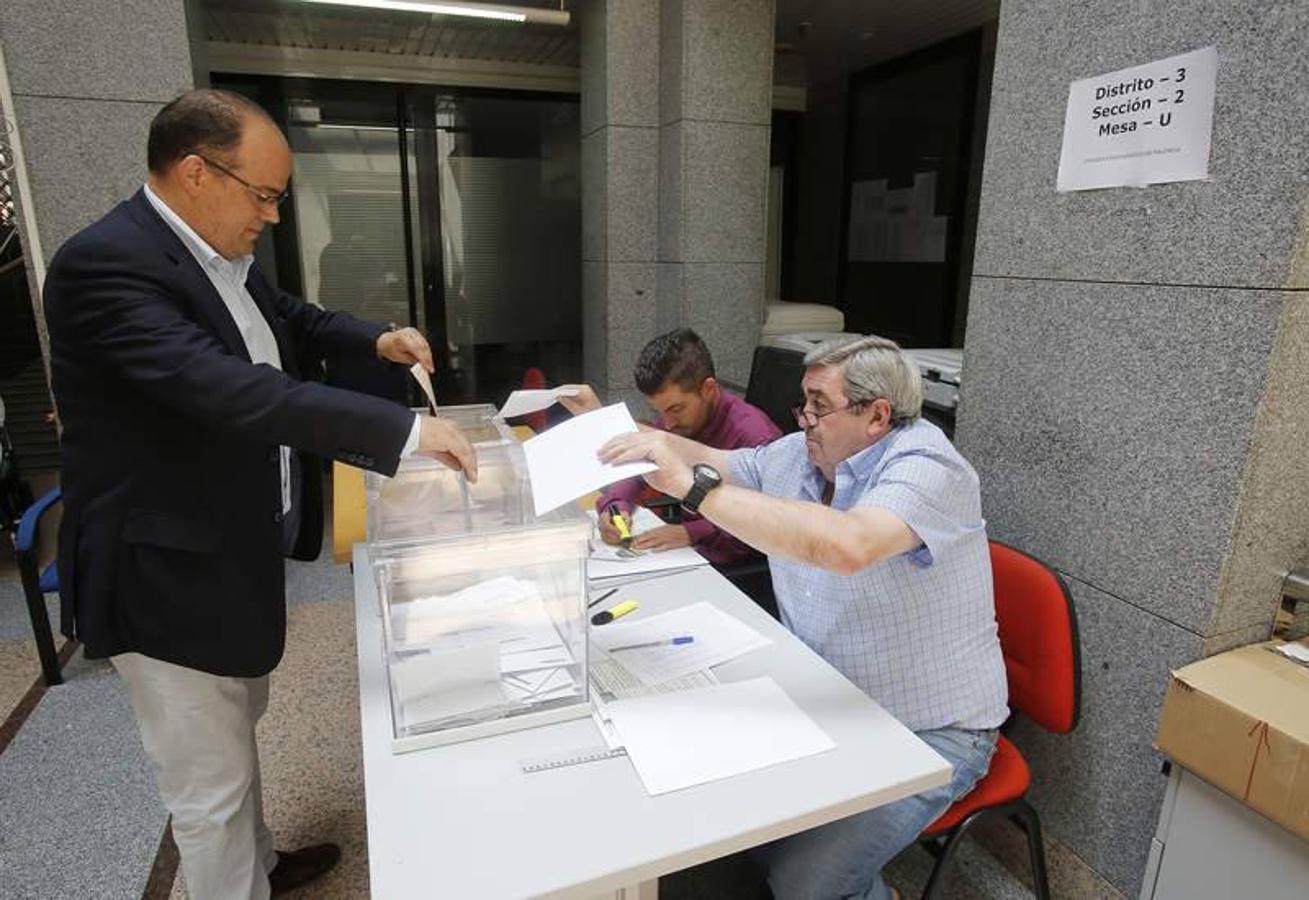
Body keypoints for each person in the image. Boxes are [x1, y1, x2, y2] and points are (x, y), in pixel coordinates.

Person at [42, 89, 476, 900]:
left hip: (226, 545)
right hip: (160, 570)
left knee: (236, 736)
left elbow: (291, 324)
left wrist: (372, 340)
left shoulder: (217, 253)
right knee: (208, 790)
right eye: (266, 195)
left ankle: (262, 866)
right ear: (196, 172)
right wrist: (404, 432)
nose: (274, 216)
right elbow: (232, 391)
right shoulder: (105, 265)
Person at [599, 335, 1008, 900]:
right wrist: (634, 441)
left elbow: (848, 546)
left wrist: (693, 489)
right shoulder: (798, 454)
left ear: (877, 415)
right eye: (804, 403)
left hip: (930, 731)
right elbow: (719, 462)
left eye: (819, 405)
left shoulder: (928, 466)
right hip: (832, 700)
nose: (804, 419)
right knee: (720, 816)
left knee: (804, 882)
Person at [560, 328, 779, 565]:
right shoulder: (679, 422)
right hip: (690, 551)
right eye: (659, 412)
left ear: (708, 389)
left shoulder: (757, 438)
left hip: (736, 565)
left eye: (676, 409)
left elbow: (768, 525)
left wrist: (691, 533)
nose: (667, 423)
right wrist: (616, 506)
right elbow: (640, 468)